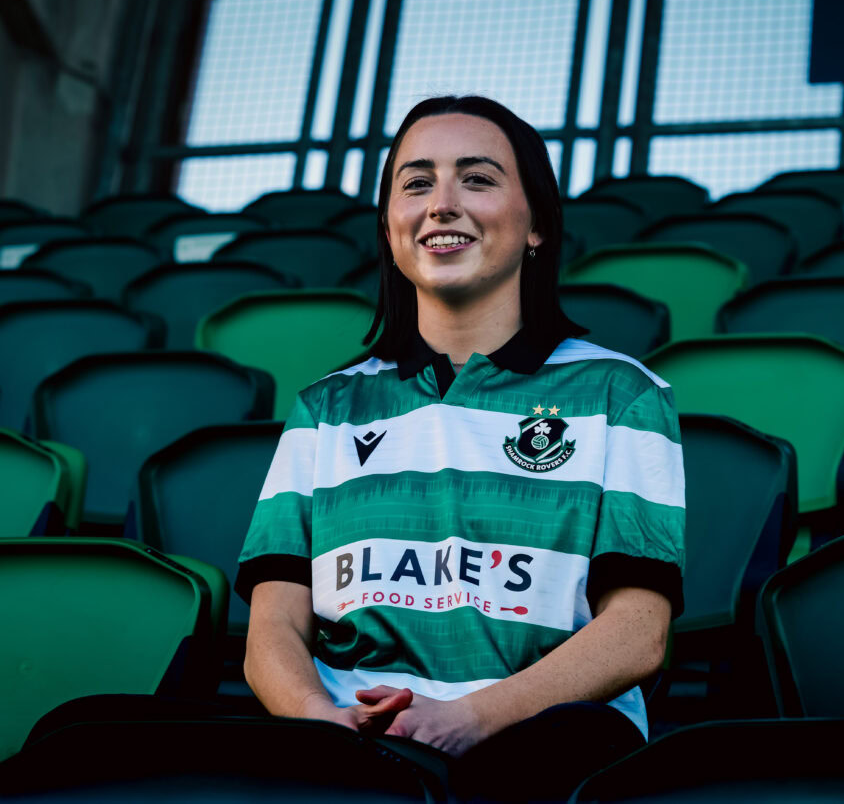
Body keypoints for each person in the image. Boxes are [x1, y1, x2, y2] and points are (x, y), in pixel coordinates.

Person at [235, 95, 685, 799]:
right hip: (351, 740)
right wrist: (322, 721)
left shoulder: (620, 394)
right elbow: (273, 625)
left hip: (539, 737)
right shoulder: (327, 406)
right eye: (417, 183)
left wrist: (469, 718)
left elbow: (637, 633)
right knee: (94, 732)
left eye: (476, 178)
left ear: (536, 222)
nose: (442, 203)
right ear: (389, 228)